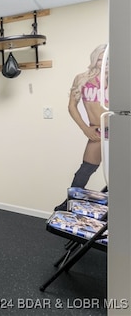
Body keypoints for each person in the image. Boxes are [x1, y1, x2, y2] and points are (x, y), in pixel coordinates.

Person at [55, 44, 108, 211]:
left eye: (106, 59)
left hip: (120, 131)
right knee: (85, 171)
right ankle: (69, 203)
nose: (103, 63)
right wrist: (85, 128)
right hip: (98, 131)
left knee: (118, 173)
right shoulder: (81, 78)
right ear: (94, 59)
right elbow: (72, 106)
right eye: (100, 59)